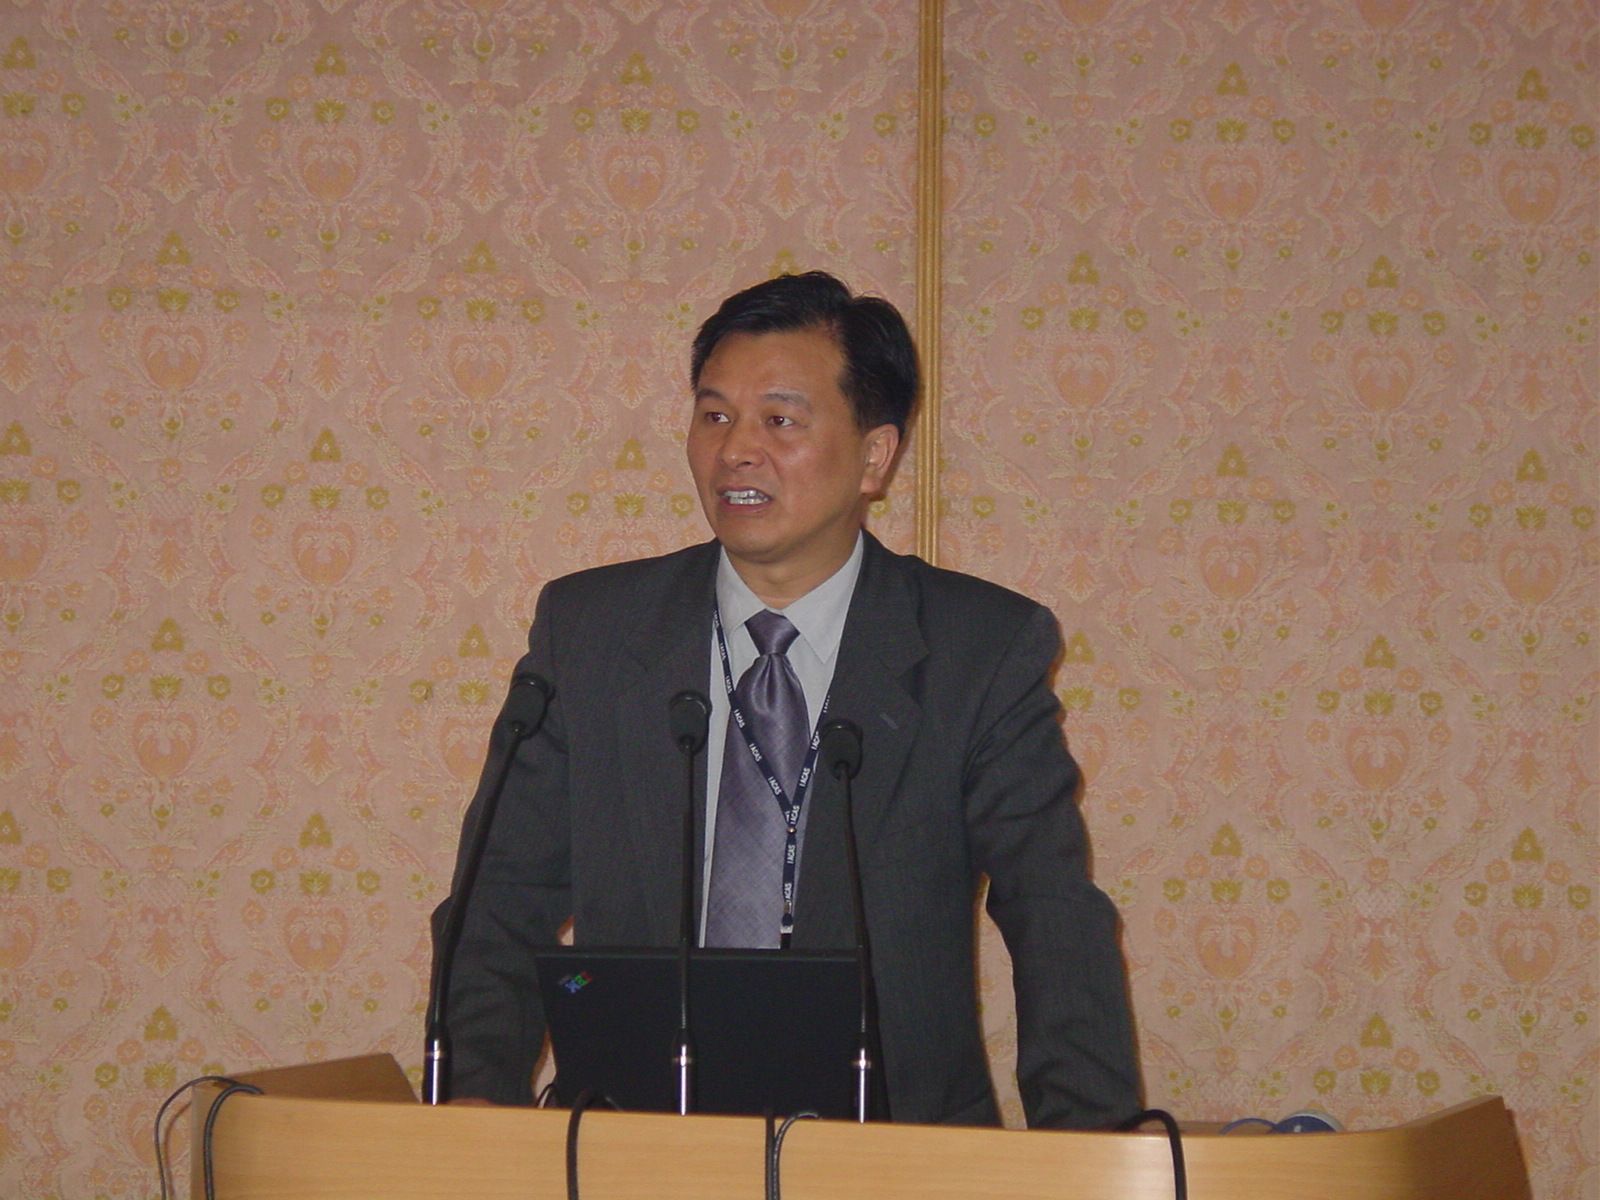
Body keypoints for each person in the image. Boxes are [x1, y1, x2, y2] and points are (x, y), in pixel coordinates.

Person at [433, 271, 1141, 1128]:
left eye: (780, 420)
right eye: (714, 415)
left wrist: (1089, 1148)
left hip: (895, 1157)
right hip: (631, 1147)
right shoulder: (593, 634)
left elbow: (1053, 916)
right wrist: (473, 1106)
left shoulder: (977, 650)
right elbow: (499, 901)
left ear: (875, 456)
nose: (736, 450)